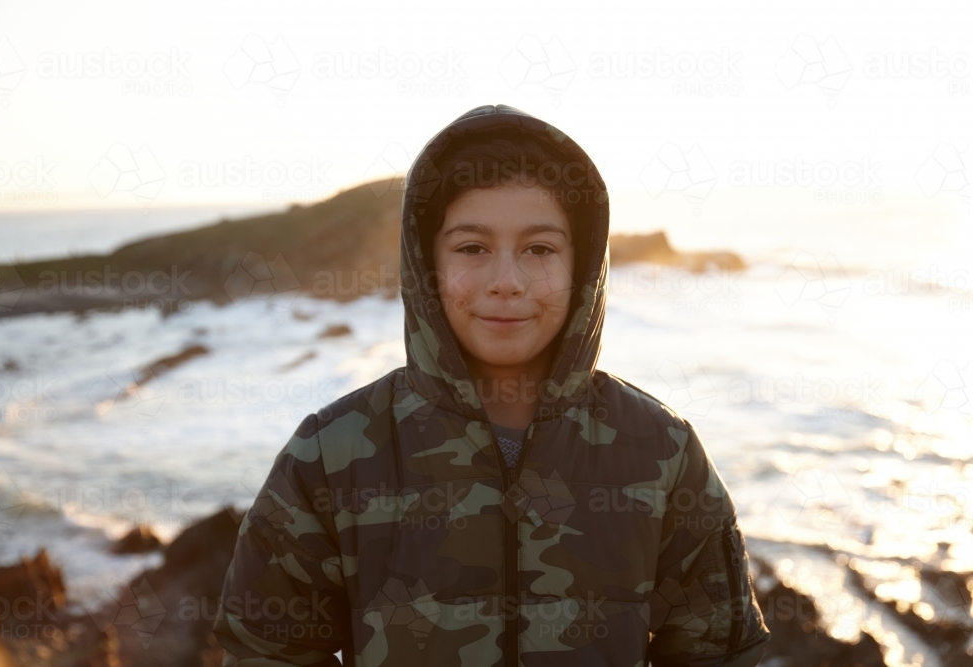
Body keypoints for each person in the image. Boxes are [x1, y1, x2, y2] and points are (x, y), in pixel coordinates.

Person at [212, 104, 771, 666]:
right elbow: (266, 649)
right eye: (472, 248)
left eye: (539, 249)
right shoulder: (331, 454)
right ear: (427, 263)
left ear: (581, 267)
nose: (507, 282)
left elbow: (719, 653)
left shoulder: (661, 451)